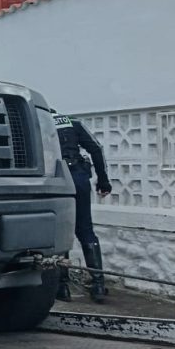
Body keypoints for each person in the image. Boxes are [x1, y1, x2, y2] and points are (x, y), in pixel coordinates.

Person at [54, 113, 112, 303]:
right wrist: (103, 180)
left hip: (55, 179)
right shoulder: (73, 122)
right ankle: (98, 285)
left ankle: (62, 287)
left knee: (59, 231)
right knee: (85, 229)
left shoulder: (39, 123)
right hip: (78, 177)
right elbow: (96, 148)